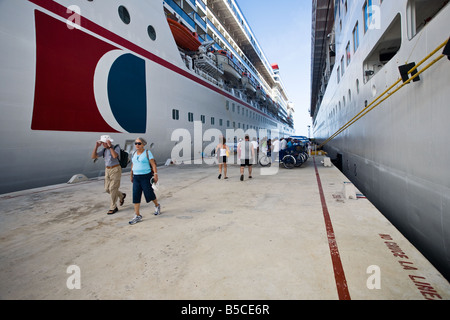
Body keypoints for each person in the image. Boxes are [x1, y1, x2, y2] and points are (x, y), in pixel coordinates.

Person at [129, 137, 161, 225]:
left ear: (143, 144)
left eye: (139, 143)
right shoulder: (134, 153)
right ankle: (137, 215)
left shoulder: (147, 153)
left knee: (149, 194)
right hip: (136, 177)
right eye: (136, 143)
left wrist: (155, 174)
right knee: (136, 195)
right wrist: (131, 175)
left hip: (146, 177)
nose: (137, 145)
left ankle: (157, 205)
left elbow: (153, 164)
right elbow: (133, 164)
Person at [91, 135, 126, 215]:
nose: (103, 144)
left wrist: (110, 146)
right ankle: (121, 195)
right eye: (102, 143)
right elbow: (93, 156)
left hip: (115, 169)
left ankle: (113, 207)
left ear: (108, 142)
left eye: (104, 142)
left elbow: (114, 156)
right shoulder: (104, 150)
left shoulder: (116, 147)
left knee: (112, 188)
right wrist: (96, 146)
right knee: (107, 189)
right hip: (107, 170)